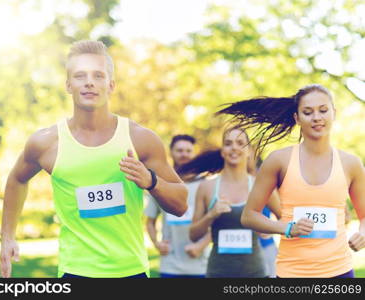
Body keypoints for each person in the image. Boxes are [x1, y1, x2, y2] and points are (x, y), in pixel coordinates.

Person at [0, 40, 188, 278]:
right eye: (80, 75)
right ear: (68, 85)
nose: (89, 82)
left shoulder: (140, 139)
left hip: (132, 271)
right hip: (74, 272)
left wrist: (151, 181)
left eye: (98, 75)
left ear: (111, 85)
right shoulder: (45, 143)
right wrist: (7, 236)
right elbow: (17, 179)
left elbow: (181, 204)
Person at [218, 84, 365, 278]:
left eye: (323, 110)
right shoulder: (279, 160)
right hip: (292, 273)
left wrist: (363, 233)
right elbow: (249, 216)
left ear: (333, 113)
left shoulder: (351, 163)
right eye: (307, 112)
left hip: (340, 272)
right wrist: (287, 228)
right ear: (297, 118)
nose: (317, 117)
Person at [180, 127, 280, 278]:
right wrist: (211, 215)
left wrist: (268, 228)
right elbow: (193, 235)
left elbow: (287, 222)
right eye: (228, 143)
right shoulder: (207, 187)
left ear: (248, 151)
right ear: (222, 151)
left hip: (255, 274)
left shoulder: (261, 186)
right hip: (217, 273)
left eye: (240, 143)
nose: (234, 147)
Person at [145, 135, 210, 278]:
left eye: (188, 151)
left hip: (199, 266)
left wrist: (200, 246)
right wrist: (157, 243)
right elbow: (149, 222)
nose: (184, 154)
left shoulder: (205, 184)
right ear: (171, 152)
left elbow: (217, 221)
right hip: (170, 266)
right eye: (179, 150)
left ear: (194, 153)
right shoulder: (160, 184)